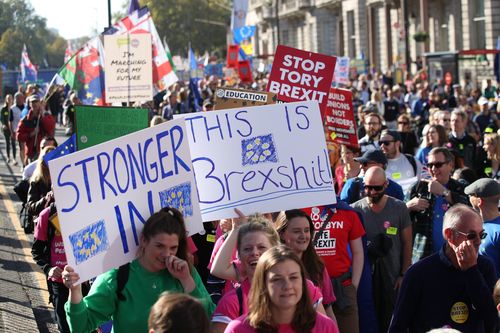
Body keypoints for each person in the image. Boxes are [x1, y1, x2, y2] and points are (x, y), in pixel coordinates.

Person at [62, 207, 215, 333]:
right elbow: (80, 327)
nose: (167, 254)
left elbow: (209, 318)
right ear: (144, 240)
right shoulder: (117, 277)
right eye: (159, 246)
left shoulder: (184, 272)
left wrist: (187, 281)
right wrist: (75, 291)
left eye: (173, 248)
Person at [389, 205, 498, 333]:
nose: (479, 242)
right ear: (449, 235)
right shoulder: (419, 272)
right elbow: (398, 325)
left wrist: (471, 271)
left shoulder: (485, 267)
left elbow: (493, 320)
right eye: (471, 236)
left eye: (482, 235)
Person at [210, 214, 325, 333]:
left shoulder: (304, 288)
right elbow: (218, 270)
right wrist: (235, 230)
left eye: (261, 247)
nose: (254, 253)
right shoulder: (232, 302)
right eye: (247, 249)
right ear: (240, 255)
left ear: (275, 249)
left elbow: (325, 327)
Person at [224, 245, 339, 333]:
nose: (287, 285)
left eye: (293, 277)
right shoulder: (238, 329)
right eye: (277, 279)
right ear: (263, 284)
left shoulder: (325, 327)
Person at [352, 166, 412, 332]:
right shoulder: (355, 210)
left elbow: (407, 243)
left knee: (392, 323)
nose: (371, 192)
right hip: (366, 279)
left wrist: (403, 274)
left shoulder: (399, 208)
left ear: (386, 185)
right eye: (367, 187)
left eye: (376, 188)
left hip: (393, 278)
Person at [303, 203, 366, 333]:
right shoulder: (300, 210)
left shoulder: (348, 212)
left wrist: (353, 286)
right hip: (312, 287)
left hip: (343, 286)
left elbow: (358, 252)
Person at [407, 147, 469, 261]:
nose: (433, 169)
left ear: (450, 165)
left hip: (454, 255)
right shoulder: (418, 188)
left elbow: (470, 210)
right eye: (430, 165)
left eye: (438, 164)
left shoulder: (460, 187)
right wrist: (409, 206)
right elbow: (399, 217)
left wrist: (445, 193)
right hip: (423, 256)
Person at [274, 210, 337, 322]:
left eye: (307, 230)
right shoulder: (271, 267)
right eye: (296, 231)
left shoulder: (318, 266)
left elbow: (328, 308)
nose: (303, 236)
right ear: (282, 234)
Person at [32, 203, 71, 333]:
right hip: (58, 283)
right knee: (64, 326)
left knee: (88, 326)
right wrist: (49, 269)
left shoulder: (87, 209)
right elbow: (36, 251)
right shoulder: (47, 215)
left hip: (85, 281)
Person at [465, 178, 500, 278]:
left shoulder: (497, 231)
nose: (469, 197)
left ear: (479, 201)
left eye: (471, 195)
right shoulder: (474, 225)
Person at [16, 95, 55, 163]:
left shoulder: (46, 116)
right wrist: (31, 134)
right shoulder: (25, 119)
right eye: (32, 102)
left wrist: (43, 117)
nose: (34, 104)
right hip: (31, 153)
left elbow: (50, 128)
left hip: (45, 152)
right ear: (30, 104)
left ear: (40, 103)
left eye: (36, 102)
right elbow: (19, 136)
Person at [10, 92, 25, 167]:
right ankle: (23, 164)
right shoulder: (12, 108)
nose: (19, 99)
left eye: (21, 98)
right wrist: (12, 132)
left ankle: (27, 162)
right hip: (17, 131)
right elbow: (10, 121)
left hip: (27, 130)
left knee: (27, 148)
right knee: (21, 147)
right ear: (15, 99)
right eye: (17, 98)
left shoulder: (27, 107)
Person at [1, 94, 15, 164]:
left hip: (13, 128)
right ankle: (8, 157)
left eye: (10, 98)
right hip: (6, 129)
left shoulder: (14, 108)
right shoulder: (4, 109)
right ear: (6, 100)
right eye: (8, 99)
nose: (9, 100)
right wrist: (3, 124)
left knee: (13, 143)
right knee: (7, 143)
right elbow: (2, 118)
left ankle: (14, 158)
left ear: (12, 99)